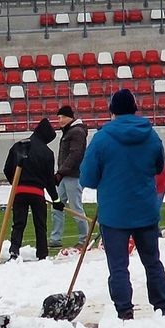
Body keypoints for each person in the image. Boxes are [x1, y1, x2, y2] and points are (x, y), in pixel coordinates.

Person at [80, 88, 165, 320]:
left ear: (112, 112)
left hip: (114, 215)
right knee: (152, 262)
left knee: (118, 266)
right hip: (145, 210)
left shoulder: (102, 138)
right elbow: (158, 166)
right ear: (135, 109)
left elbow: (87, 178)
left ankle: (125, 311)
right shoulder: (150, 135)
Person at [3, 118, 61, 261]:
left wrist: (16, 184)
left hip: (20, 191)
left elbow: (7, 169)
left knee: (18, 223)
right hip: (38, 193)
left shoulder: (18, 146)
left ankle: (14, 250)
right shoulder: (47, 153)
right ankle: (42, 254)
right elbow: (49, 181)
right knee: (40, 225)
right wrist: (56, 200)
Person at [51, 105, 89, 249]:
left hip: (73, 176)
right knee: (57, 206)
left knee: (75, 208)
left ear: (69, 118)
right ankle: (56, 238)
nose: (59, 120)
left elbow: (75, 154)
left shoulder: (77, 132)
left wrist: (61, 172)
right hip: (65, 176)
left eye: (61, 117)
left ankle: (84, 239)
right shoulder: (69, 132)